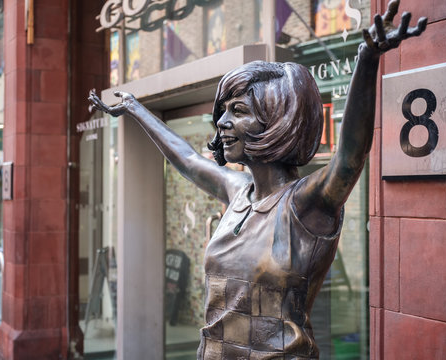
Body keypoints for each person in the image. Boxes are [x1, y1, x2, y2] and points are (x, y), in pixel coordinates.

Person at [89, 1, 426, 358]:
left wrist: (367, 60)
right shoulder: (237, 191)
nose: (221, 123)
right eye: (224, 112)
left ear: (276, 121)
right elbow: (186, 158)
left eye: (238, 111)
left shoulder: (304, 204)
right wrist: (134, 107)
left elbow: (349, 159)